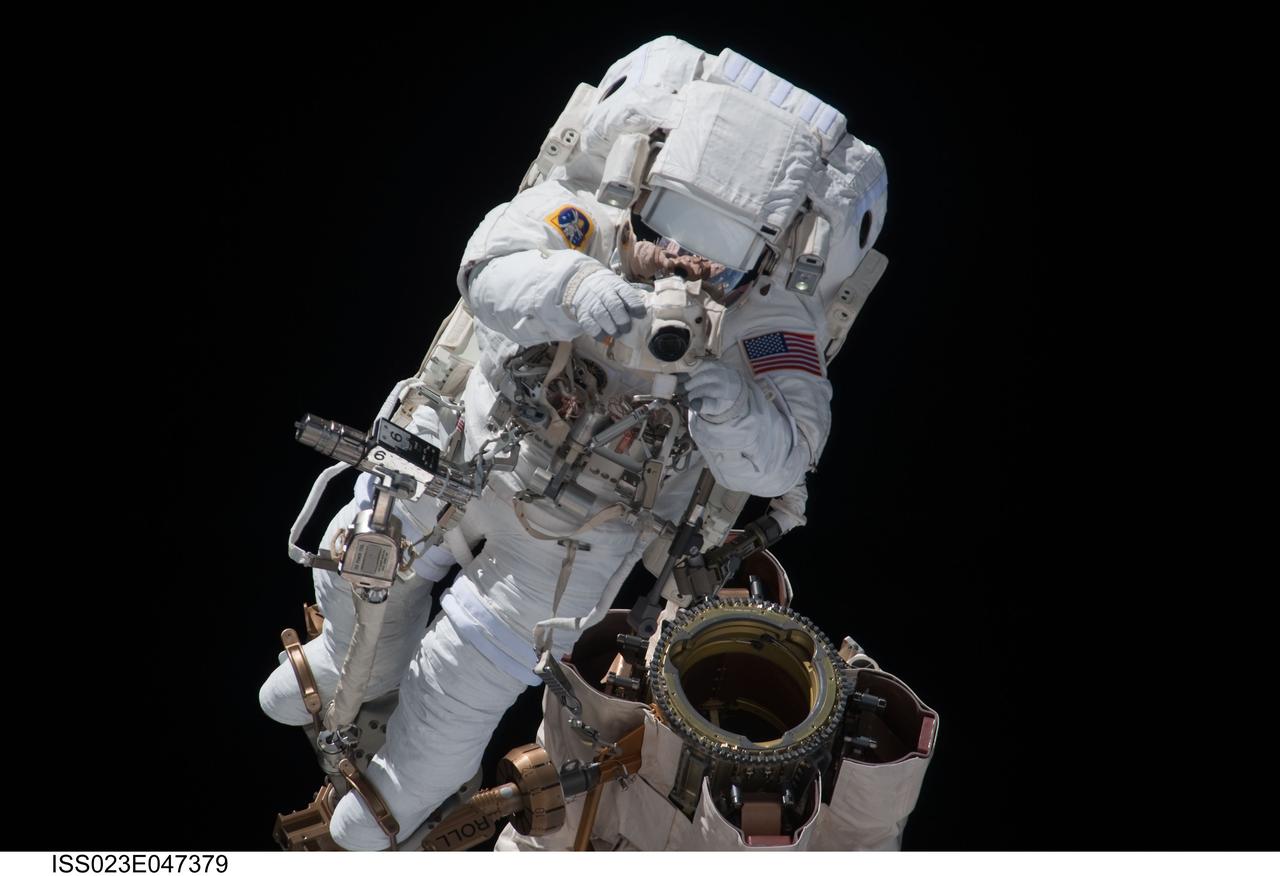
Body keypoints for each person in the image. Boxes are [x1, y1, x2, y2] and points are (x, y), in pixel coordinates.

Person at [259, 36, 886, 850]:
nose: (688, 274)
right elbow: (485, 268)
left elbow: (783, 455)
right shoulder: (586, 218)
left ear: (765, 256)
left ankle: (402, 791)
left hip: (583, 524)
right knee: (357, 556)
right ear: (648, 198)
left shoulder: (770, 320)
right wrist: (576, 285)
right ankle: (345, 657)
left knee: (469, 671)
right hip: (465, 441)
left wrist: (724, 397)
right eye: (674, 246)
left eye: (713, 269)